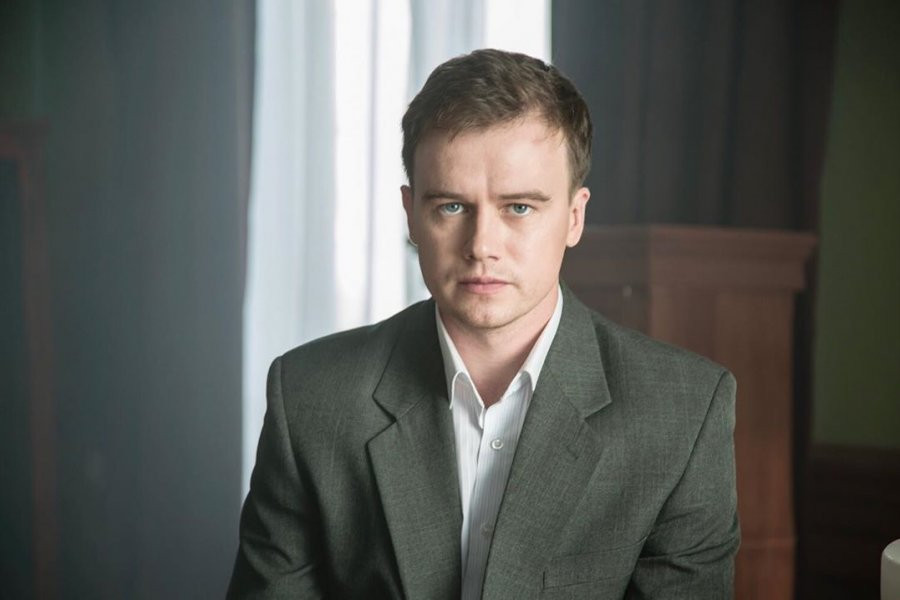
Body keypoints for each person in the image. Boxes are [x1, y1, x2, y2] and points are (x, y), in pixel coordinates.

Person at [228, 49, 739, 599]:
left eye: (519, 208)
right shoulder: (310, 397)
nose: (481, 246)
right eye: (451, 207)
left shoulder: (684, 413)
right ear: (411, 215)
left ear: (574, 217)